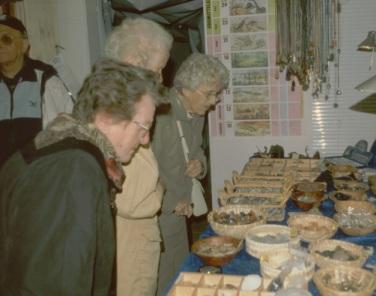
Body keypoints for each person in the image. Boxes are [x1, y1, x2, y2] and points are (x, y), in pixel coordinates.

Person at [0, 58, 164, 295]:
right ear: (109, 117)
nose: (145, 139)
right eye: (144, 126)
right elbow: (57, 285)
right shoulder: (73, 169)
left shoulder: (63, 148)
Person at [104, 17, 173, 296]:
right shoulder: (120, 107)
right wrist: (160, 188)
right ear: (134, 60)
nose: (161, 79)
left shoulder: (116, 97)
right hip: (128, 243)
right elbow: (133, 199)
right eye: (158, 69)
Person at [153, 53, 229, 295]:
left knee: (179, 274)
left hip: (180, 209)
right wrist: (171, 202)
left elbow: (197, 149)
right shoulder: (157, 113)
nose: (215, 101)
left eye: (217, 93)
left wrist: (200, 164)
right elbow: (143, 171)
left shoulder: (196, 112)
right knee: (158, 280)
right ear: (186, 89)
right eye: (209, 93)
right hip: (155, 213)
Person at [0, 14, 74, 168]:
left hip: (37, 175)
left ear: (24, 45)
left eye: (6, 39)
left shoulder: (45, 78)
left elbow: (70, 124)